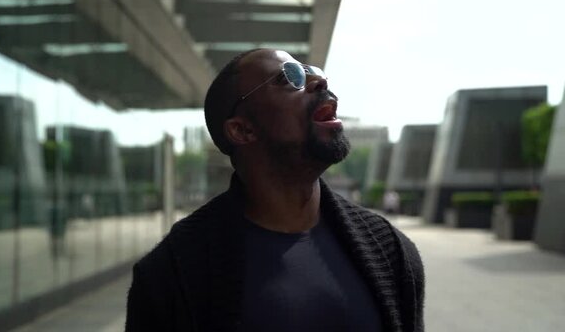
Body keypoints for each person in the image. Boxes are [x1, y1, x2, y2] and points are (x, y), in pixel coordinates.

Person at [125, 49, 424, 332]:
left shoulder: (392, 253)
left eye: (310, 72)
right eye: (289, 77)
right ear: (242, 130)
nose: (318, 81)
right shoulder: (170, 275)